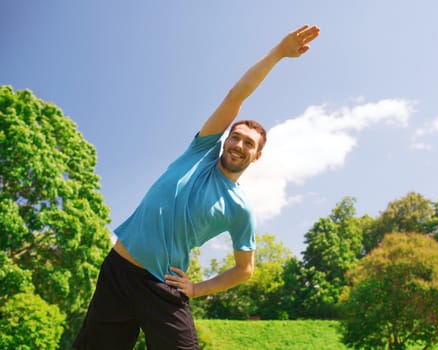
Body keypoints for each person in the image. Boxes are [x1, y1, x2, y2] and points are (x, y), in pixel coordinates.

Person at [74, 24, 320, 350]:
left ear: (257, 155)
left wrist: (196, 289)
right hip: (117, 273)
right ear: (224, 139)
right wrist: (278, 53)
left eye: (248, 143)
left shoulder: (239, 208)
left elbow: (244, 270)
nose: (238, 144)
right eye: (235, 136)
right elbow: (237, 95)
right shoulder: (201, 153)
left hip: (162, 285)